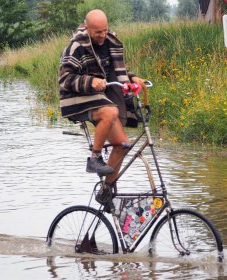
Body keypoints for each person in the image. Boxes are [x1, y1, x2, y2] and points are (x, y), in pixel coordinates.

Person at [58, 9, 144, 200]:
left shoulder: (111, 41)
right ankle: (95, 158)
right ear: (87, 28)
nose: (103, 35)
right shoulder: (76, 47)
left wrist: (131, 77)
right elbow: (65, 79)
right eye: (98, 32)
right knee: (110, 111)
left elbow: (116, 69)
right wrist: (90, 81)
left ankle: (106, 191)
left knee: (123, 145)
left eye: (105, 30)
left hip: (100, 96)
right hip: (77, 97)